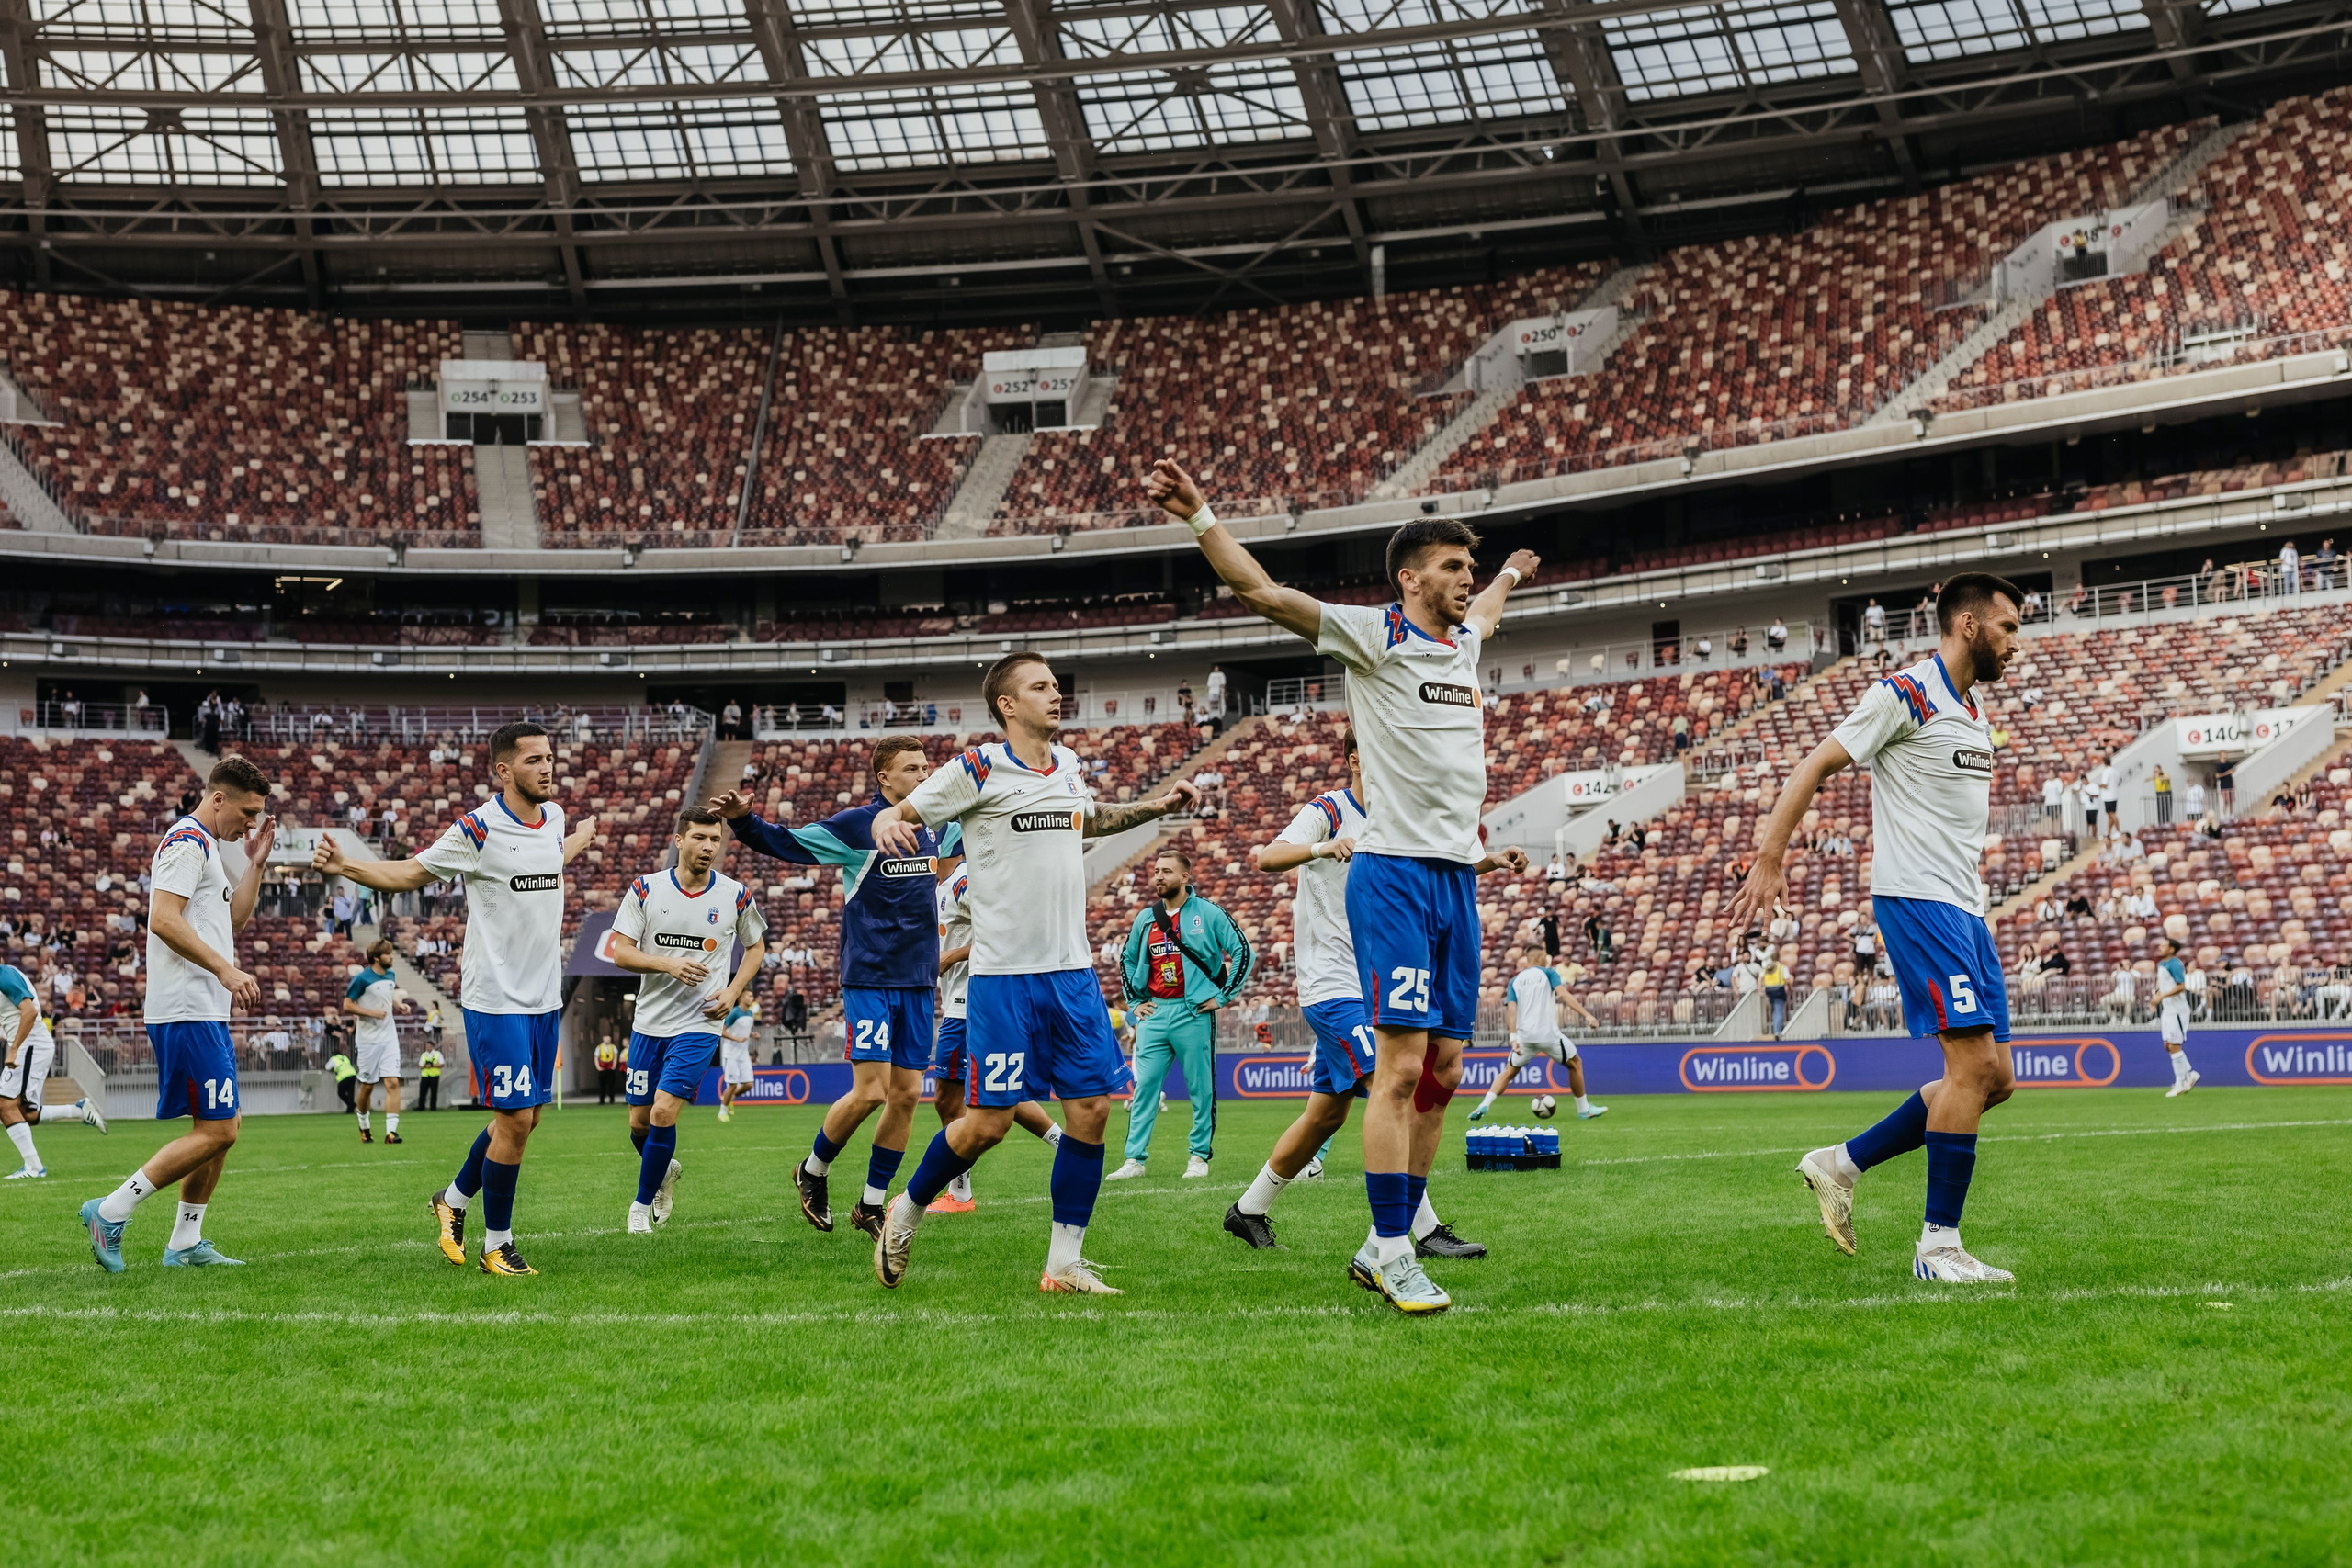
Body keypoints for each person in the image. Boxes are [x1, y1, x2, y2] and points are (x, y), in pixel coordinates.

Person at [1147, 454, 1534, 1314]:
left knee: (1443, 1067)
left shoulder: (1466, 639)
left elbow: (1494, 611)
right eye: (1452, 567)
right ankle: (1395, 1248)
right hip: (1392, 873)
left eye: (1471, 568)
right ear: (1409, 577)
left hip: (1454, 881)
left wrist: (1509, 571)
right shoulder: (1375, 634)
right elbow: (1265, 593)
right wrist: (1200, 512)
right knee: (1395, 1069)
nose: (1465, 580)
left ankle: (1379, 1241)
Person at [865, 651, 1201, 1295]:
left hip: (1072, 973)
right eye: (1040, 686)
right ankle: (904, 1211)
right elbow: (905, 812)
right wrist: (887, 817)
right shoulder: (978, 767)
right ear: (1007, 705)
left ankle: (1063, 1264)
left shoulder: (1070, 765)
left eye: (1056, 684)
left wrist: (1159, 804)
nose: (1056, 693)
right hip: (1003, 978)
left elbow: (1090, 819)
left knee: (1093, 1111)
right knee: (987, 1124)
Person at [1734, 571, 2025, 1285]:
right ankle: (1937, 1247)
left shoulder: (1971, 707)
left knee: (1996, 1078)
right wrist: (1771, 856)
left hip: (1966, 908)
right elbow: (1819, 762)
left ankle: (1840, 1163)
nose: (2017, 641)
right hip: (1919, 901)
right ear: (1968, 626)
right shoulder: (1905, 693)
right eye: (2008, 627)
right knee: (1967, 1069)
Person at [315, 720, 598, 1278]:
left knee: (526, 1119)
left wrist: (577, 842)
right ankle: (499, 1243)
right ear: (503, 770)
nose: (548, 768)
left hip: (543, 997)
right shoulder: (477, 829)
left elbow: (545, 858)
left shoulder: (554, 819)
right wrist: (344, 866)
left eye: (550, 758)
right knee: (514, 1119)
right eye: (535, 760)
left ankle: (451, 1201)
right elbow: (409, 873)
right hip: (496, 998)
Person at [1222, 730, 1491, 1258]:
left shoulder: (1400, 814)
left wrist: (1491, 861)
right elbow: (1266, 856)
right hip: (1332, 983)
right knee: (1394, 1081)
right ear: (1355, 759)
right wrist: (1324, 846)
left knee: (1326, 1113)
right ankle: (1423, 1231)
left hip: (1373, 983)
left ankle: (1248, 1210)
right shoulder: (1328, 808)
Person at [711, 735, 957, 1242]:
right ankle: (813, 1170)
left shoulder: (940, 825)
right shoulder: (856, 826)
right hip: (869, 975)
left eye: (927, 767)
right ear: (884, 778)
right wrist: (741, 820)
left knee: (907, 1095)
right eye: (912, 769)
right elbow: (786, 842)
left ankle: (870, 1204)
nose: (924, 776)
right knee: (871, 1091)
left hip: (918, 979)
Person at [80, 755, 276, 1272]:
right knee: (220, 1131)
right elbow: (163, 919)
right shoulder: (185, 842)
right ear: (217, 798)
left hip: (204, 1009)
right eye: (248, 811)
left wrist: (254, 865)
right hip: (187, 1006)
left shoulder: (209, 848)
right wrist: (225, 972)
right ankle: (110, 1210)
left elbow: (231, 921)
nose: (251, 823)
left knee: (221, 1126)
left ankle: (185, 1243)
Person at [609, 807, 767, 1235]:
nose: (708, 847)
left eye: (715, 839)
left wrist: (732, 993)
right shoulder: (645, 889)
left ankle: (641, 1207)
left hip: (700, 1022)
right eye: (699, 838)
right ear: (679, 840)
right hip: (649, 1024)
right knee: (638, 1125)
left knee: (663, 1113)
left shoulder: (735, 895)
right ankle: (664, 1172)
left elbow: (756, 948)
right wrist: (668, 964)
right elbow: (619, 952)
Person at [1106, 849, 1253, 1182]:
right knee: (1144, 1089)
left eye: (1167, 871)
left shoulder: (1209, 913)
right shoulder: (1146, 918)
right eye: (1156, 871)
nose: (1159, 876)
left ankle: (1199, 1157)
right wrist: (1134, 1000)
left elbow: (1244, 950)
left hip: (1194, 1012)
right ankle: (1134, 1159)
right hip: (1155, 1012)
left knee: (1201, 1090)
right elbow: (1127, 959)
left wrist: (1223, 996)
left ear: (1185, 877)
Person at [924, 863, 1063, 1213]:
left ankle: (959, 1194)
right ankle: (1067, 1145)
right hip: (964, 1002)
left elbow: (1001, 930)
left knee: (949, 1099)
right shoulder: (943, 885)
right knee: (998, 1092)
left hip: (970, 1003)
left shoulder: (962, 878)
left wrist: (950, 957)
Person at [1466, 944, 1605, 1122]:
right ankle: (1584, 1109)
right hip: (1548, 1035)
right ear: (1539, 958)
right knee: (1575, 1063)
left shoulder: (1515, 981)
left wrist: (1513, 1038)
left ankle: (1484, 1104)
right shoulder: (1549, 973)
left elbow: (1511, 1010)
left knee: (1508, 1072)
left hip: (1525, 1037)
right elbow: (1563, 995)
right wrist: (1587, 1015)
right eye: (1546, 956)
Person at [0, 959, 106, 1179]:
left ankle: (34, 1168)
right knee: (25, 1113)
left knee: (5, 1105)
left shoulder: (5, 975)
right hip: (30, 1045)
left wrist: (15, 1048)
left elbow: (28, 1012)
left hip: (30, 1046)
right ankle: (78, 1110)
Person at [341, 939, 411, 1145]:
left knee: (392, 1082)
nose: (392, 957)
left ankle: (391, 1132)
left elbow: (386, 998)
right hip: (368, 1040)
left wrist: (398, 1005)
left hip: (389, 1037)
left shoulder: (391, 975)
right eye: (388, 954)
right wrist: (371, 1013)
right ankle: (364, 1125)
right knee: (367, 1087)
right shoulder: (361, 979)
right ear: (377, 957)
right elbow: (347, 1005)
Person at [2154, 936, 2199, 1097]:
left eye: (2163, 945)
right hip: (2168, 1010)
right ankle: (2190, 1073)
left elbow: (2181, 987)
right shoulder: (2162, 964)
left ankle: (2180, 1082)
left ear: (2171, 949)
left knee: (2174, 1045)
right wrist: (2156, 998)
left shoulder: (2175, 964)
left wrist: (2161, 996)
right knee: (2168, 1045)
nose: (2160, 947)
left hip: (2177, 1011)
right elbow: (2165, 986)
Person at [718, 999, 756, 1122]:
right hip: (731, 1053)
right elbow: (722, 1031)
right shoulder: (734, 1012)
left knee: (749, 1084)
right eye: (749, 995)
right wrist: (736, 1039)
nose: (752, 998)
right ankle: (722, 1112)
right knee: (733, 1084)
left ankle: (729, 1098)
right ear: (742, 998)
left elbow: (744, 1031)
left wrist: (752, 1035)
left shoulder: (750, 1013)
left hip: (743, 1053)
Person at [327, 1043, 357, 1114]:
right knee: (350, 1093)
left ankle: (352, 1105)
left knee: (340, 1092)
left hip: (343, 1076)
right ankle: (350, 1109)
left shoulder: (333, 1059)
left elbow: (327, 1067)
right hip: (352, 1074)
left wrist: (333, 1070)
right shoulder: (345, 1057)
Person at [417, 1039, 443, 1111]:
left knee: (434, 1092)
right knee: (422, 1092)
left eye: (429, 1046)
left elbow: (441, 1064)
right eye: (427, 1046)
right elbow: (420, 1065)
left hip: (434, 1075)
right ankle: (421, 1107)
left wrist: (432, 1065)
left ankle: (433, 1107)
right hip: (425, 1075)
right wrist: (426, 1066)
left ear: (433, 1047)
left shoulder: (437, 1054)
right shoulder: (424, 1054)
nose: (428, 1048)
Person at [594, 1035, 620, 1105]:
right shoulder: (599, 1047)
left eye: (609, 1039)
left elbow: (615, 1056)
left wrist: (614, 1065)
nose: (608, 1040)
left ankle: (612, 1099)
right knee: (602, 1084)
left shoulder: (613, 1047)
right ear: (603, 1039)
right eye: (607, 1039)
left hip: (610, 1067)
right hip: (602, 1067)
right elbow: (596, 1057)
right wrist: (598, 1067)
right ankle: (602, 1099)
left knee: (611, 1084)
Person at [2153, 763, 2173, 827]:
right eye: (2155, 771)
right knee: (2160, 810)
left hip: (2166, 793)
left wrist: (2162, 777)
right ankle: (2160, 824)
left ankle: (2167, 823)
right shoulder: (2155, 776)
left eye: (2157, 771)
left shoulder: (2164, 774)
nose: (2156, 772)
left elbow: (2168, 777)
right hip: (2159, 793)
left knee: (2167, 809)